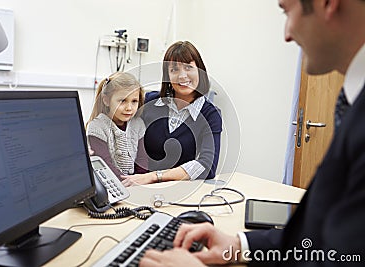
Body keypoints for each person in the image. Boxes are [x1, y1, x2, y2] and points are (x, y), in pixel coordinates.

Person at [139, 0, 365, 266]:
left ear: (326, 4)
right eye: (174, 69)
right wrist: (239, 244)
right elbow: (318, 238)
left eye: (286, 11)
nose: (286, 34)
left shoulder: (209, 112)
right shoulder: (352, 101)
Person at [121, 41, 222, 187]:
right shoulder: (149, 102)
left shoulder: (210, 115)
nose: (182, 76)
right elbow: (117, 124)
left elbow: (207, 166)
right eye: (174, 70)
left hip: (178, 189)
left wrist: (155, 176)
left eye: (188, 67)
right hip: (135, 185)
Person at [86, 72, 147, 178]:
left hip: (136, 183)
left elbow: (142, 159)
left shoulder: (138, 124)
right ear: (106, 100)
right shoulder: (97, 127)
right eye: (122, 101)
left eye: (134, 101)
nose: (129, 107)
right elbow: (104, 164)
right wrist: (127, 183)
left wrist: (139, 180)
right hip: (110, 183)